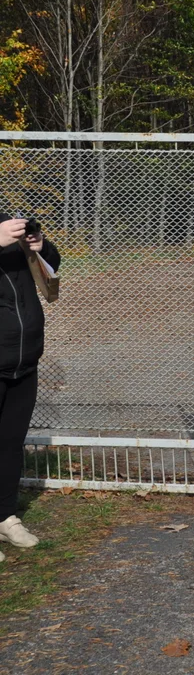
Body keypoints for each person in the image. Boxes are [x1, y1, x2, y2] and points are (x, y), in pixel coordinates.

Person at [0, 213, 60, 562]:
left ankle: (6, 517)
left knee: (9, 445)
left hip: (24, 360)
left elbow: (51, 267)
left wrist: (40, 246)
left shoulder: (8, 222)